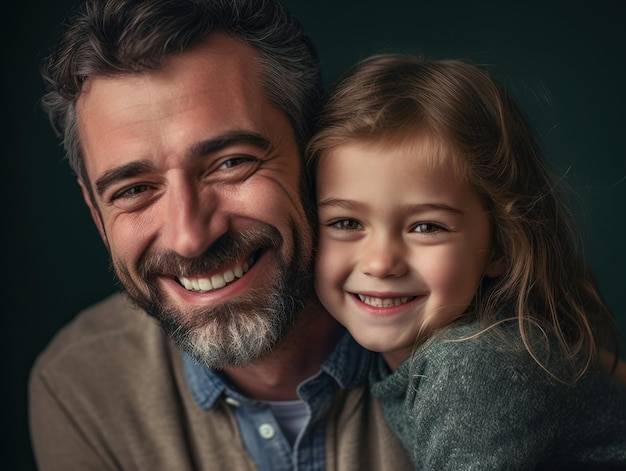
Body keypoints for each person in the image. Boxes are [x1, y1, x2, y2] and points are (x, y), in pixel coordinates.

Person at [28, 1, 413, 469]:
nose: (190, 237)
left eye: (231, 162)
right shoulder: (80, 388)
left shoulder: (467, 350)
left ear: (317, 154)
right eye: (134, 190)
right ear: (95, 213)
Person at [306, 54, 626, 469]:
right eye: (346, 222)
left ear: (500, 245)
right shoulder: (438, 341)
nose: (381, 263)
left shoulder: (471, 366)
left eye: (427, 227)